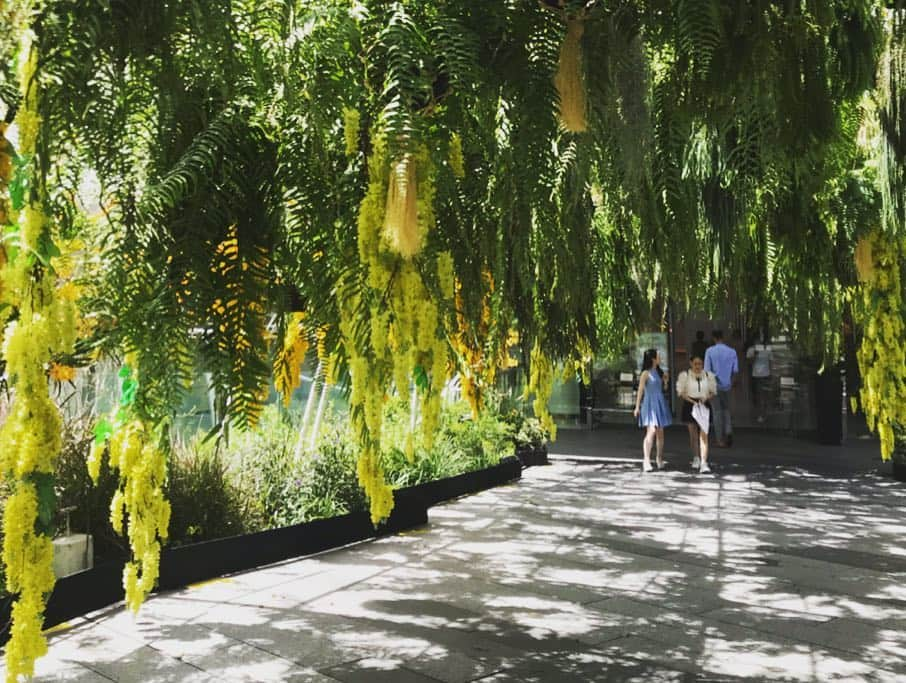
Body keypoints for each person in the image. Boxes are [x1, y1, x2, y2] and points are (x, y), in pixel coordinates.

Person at [676, 355, 717, 473]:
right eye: (695, 363)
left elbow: (712, 392)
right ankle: (696, 457)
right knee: (693, 434)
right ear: (691, 363)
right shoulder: (685, 376)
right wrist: (692, 401)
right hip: (690, 404)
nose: (698, 366)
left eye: (700, 364)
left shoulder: (708, 376)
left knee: (704, 434)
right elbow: (681, 392)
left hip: (703, 404)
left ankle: (704, 462)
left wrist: (705, 399)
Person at [633, 349, 672, 472]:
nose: (660, 358)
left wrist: (665, 382)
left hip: (659, 402)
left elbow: (664, 388)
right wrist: (637, 406)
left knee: (660, 432)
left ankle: (659, 458)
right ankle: (646, 459)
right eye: (658, 356)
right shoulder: (646, 373)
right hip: (649, 403)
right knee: (651, 431)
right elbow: (640, 390)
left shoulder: (659, 372)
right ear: (653, 359)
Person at [704, 329, 738, 447]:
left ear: (714, 338)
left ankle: (719, 439)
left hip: (714, 385)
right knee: (726, 410)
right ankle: (728, 430)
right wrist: (731, 383)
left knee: (717, 412)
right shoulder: (732, 351)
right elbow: (735, 370)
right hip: (727, 385)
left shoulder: (709, 351)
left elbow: (707, 371)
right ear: (723, 337)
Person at [746, 333, 773, 424]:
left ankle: (765, 412)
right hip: (756, 375)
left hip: (766, 374)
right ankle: (760, 413)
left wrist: (771, 373)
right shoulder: (751, 350)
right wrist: (755, 355)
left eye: (759, 342)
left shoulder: (767, 350)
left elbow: (770, 362)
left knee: (765, 395)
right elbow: (749, 363)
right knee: (758, 395)